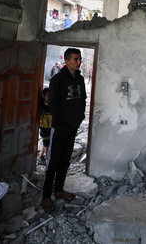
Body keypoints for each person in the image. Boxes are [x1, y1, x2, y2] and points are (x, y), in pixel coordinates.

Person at [41, 48, 87, 211]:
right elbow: (53, 104)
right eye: (75, 59)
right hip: (60, 128)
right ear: (66, 61)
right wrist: (62, 121)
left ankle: (59, 189)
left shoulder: (80, 79)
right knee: (53, 161)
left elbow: (83, 99)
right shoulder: (58, 80)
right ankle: (46, 196)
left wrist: (79, 117)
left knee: (65, 160)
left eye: (79, 59)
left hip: (73, 127)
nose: (78, 62)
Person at [37, 88, 51, 165]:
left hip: (51, 126)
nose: (50, 98)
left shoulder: (52, 104)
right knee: (46, 143)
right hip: (44, 127)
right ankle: (47, 159)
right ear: (43, 96)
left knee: (47, 142)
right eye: (48, 96)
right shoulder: (41, 105)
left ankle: (41, 155)